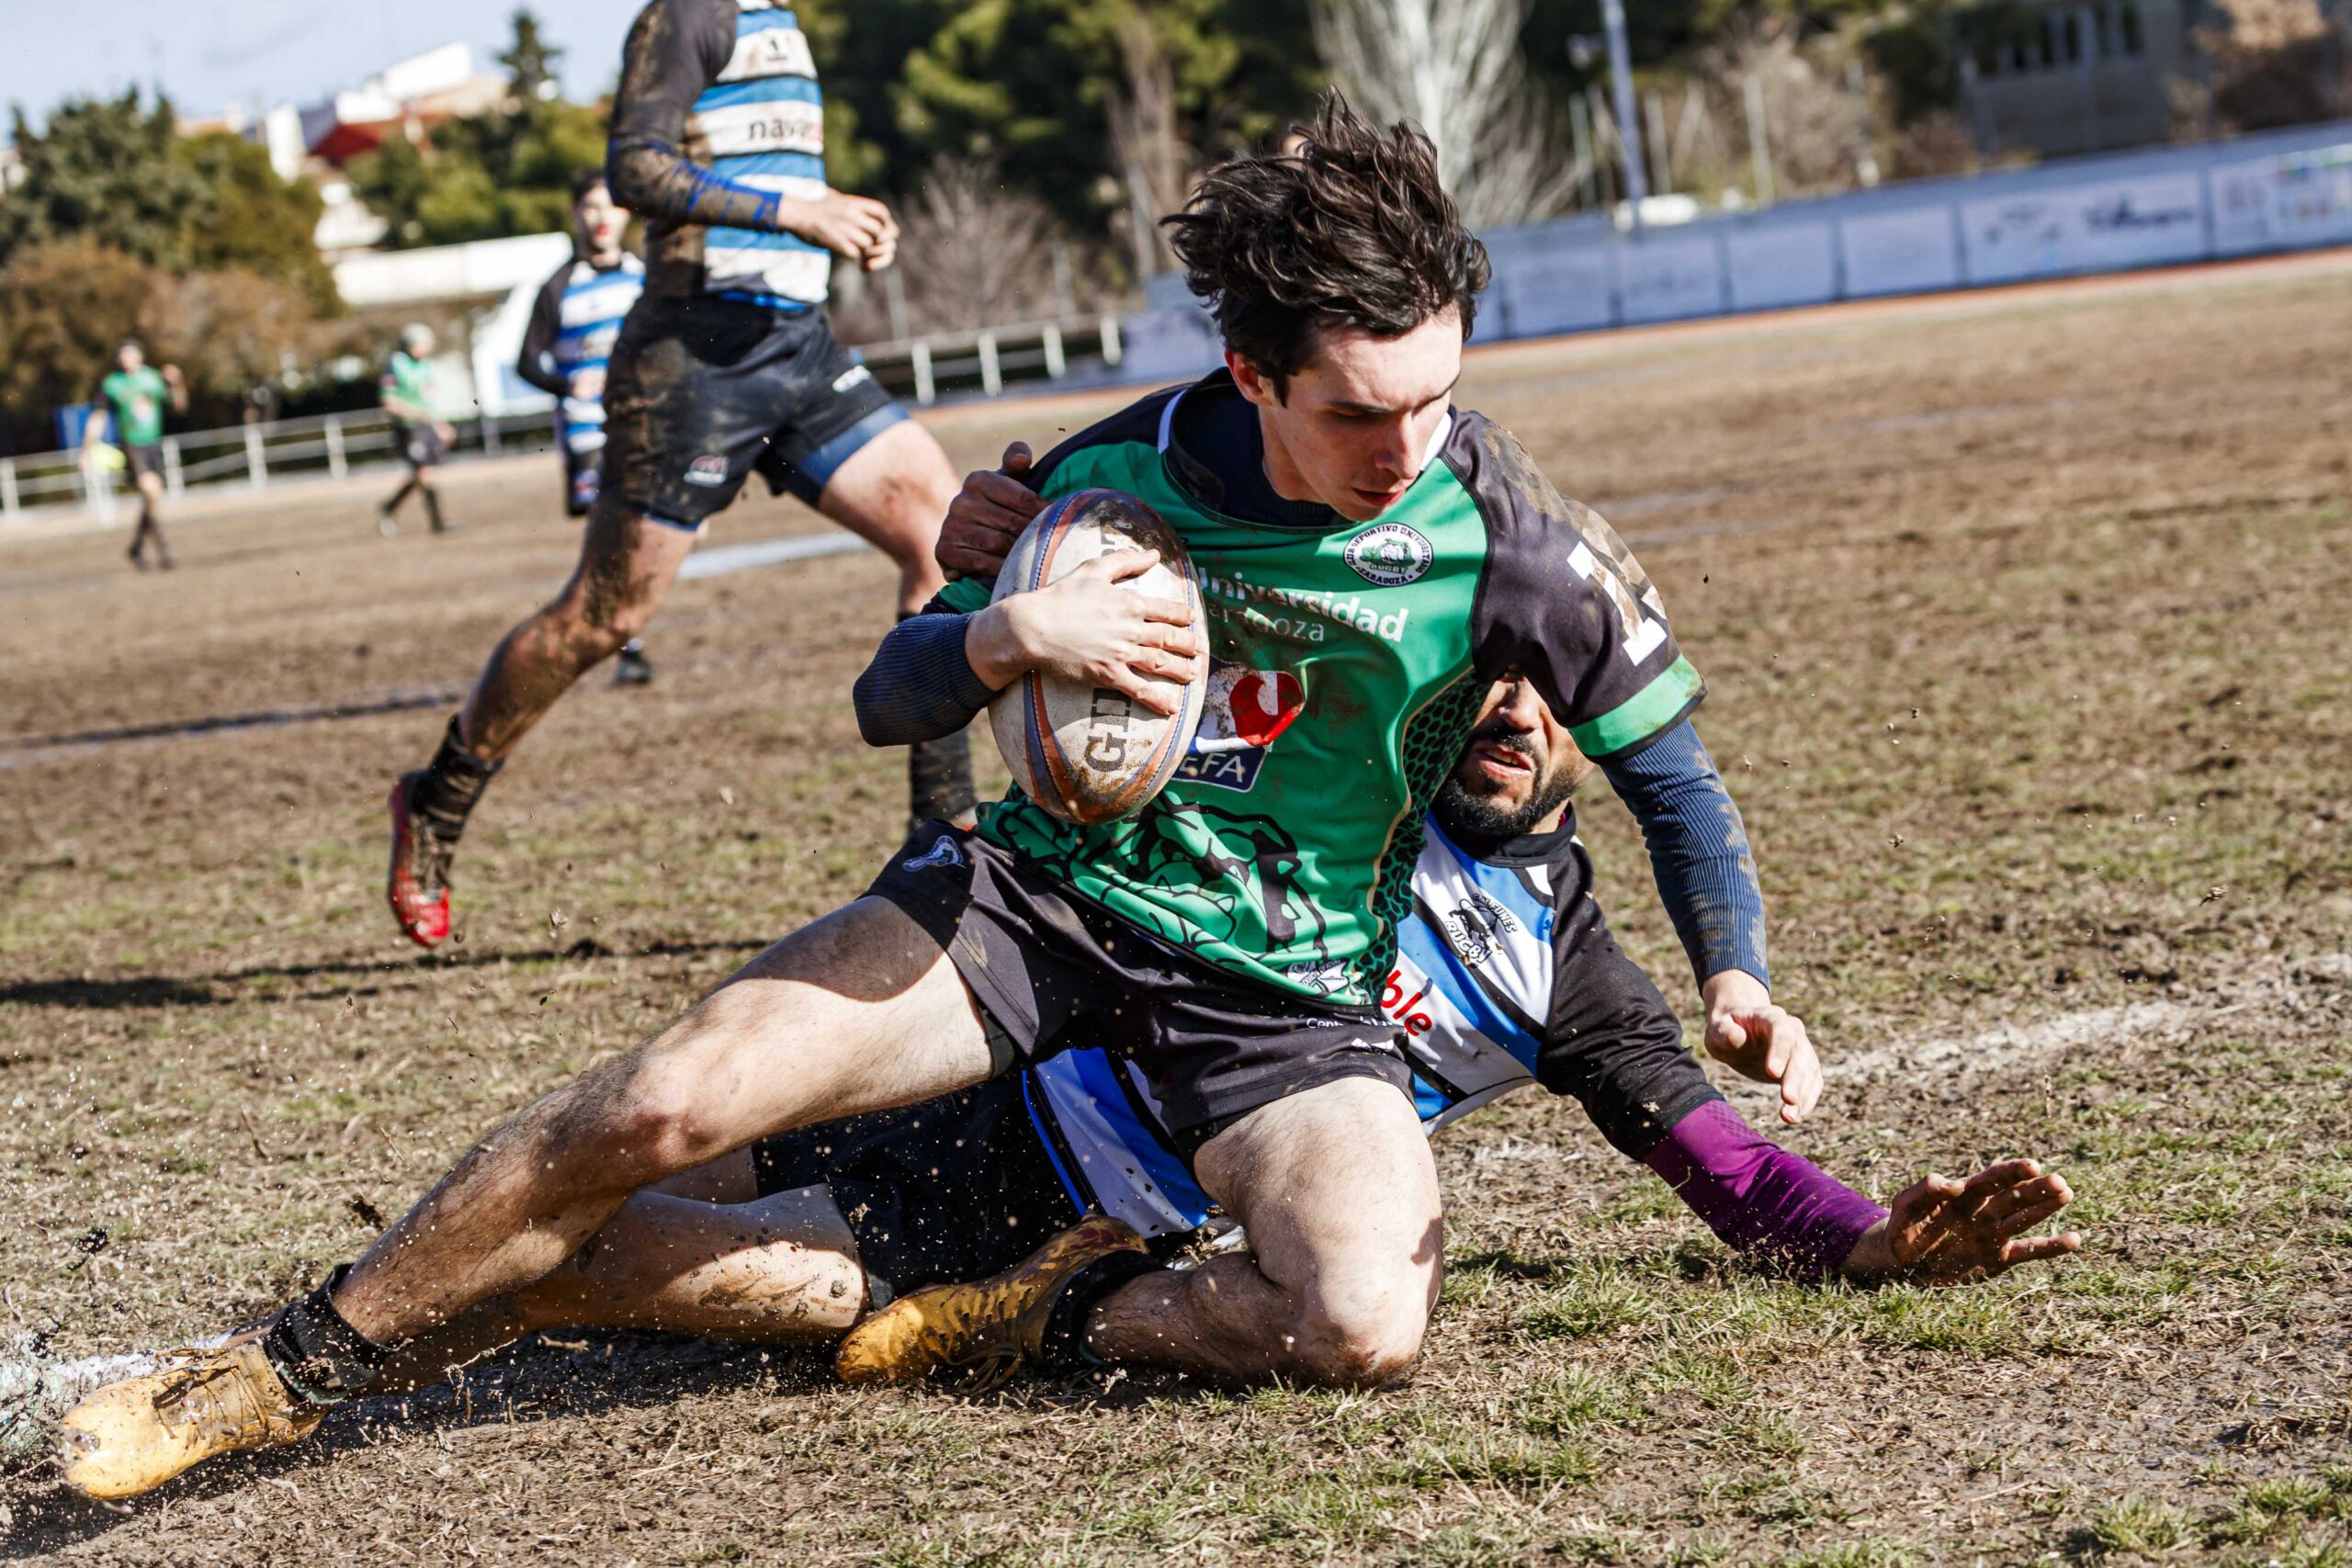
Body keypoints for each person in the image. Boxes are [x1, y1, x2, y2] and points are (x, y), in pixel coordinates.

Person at [55, 95, 2034, 1500]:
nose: (1413, 442)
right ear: (1254, 369)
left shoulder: (1506, 537)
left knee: (1357, 1319)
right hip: (1036, 908)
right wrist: (1003, 641)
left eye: (1439, 391)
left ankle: (1042, 1320)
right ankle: (270, 1373)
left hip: (1283, 990)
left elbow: (1670, 766)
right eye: (1363, 406)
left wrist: (1741, 969)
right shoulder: (1114, 471)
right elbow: (890, 688)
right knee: (660, 1105)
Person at [17, 674, 2075, 1456]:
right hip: (984, 1057)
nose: (1513, 710)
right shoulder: (1313, 788)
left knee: (648, 1274)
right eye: (1487, 678)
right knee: (646, 1133)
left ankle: (1030, 1320)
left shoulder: (1575, 981)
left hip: (1026, 1210)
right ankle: (307, 1349)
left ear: (1583, 743)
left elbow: (1729, 1171)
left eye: (1549, 697)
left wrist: (1871, 1238)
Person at [382, 0, 974, 951]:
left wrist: (840, 223)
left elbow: (757, 171)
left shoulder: (780, 20)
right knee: (604, 619)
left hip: (797, 346)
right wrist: (800, 209)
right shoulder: (691, 10)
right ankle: (438, 800)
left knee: (942, 535)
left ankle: (940, 836)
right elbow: (636, 166)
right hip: (694, 358)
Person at [516, 171, 655, 687]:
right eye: (590, 207)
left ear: (625, 214)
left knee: (640, 536)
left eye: (611, 206)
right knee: (609, 539)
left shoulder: (645, 276)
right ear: (575, 214)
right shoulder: (557, 287)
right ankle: (625, 645)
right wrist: (564, 386)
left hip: (640, 426)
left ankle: (621, 638)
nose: (601, 218)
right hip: (585, 436)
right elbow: (526, 362)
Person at [84, 341, 186, 571]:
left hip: (153, 445)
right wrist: (87, 449)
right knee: (150, 491)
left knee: (152, 500)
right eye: (123, 354)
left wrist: (178, 383)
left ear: (140, 355)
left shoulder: (153, 378)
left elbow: (179, 405)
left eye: (130, 353)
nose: (126, 358)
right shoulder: (112, 384)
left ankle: (137, 547)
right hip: (131, 446)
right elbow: (97, 417)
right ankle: (164, 548)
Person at [377, 323, 457, 538]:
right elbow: (389, 401)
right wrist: (413, 413)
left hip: (425, 426)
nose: (425, 348)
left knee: (421, 474)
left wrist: (440, 425)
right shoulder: (396, 365)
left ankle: (389, 507)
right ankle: (438, 523)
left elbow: (428, 402)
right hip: (407, 429)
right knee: (425, 473)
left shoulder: (426, 366)